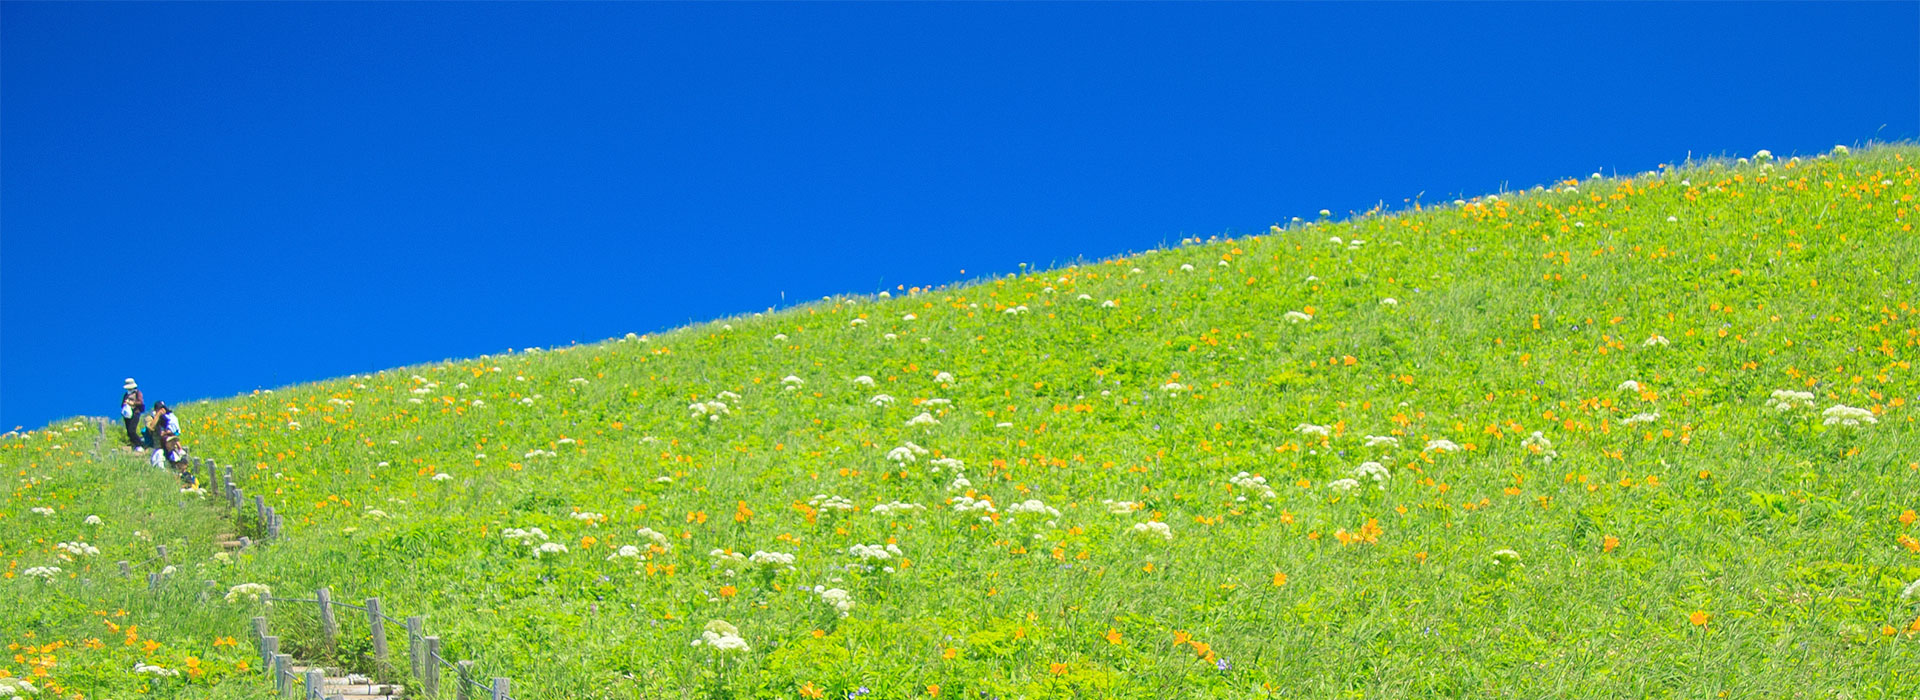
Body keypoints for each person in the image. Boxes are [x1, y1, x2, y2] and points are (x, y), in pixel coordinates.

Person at [120, 379, 146, 448]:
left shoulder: (137, 393)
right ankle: (134, 444)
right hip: (127, 415)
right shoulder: (126, 394)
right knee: (129, 432)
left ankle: (140, 444)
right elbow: (122, 404)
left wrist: (132, 403)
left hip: (135, 413)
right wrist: (125, 404)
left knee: (132, 430)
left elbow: (140, 402)